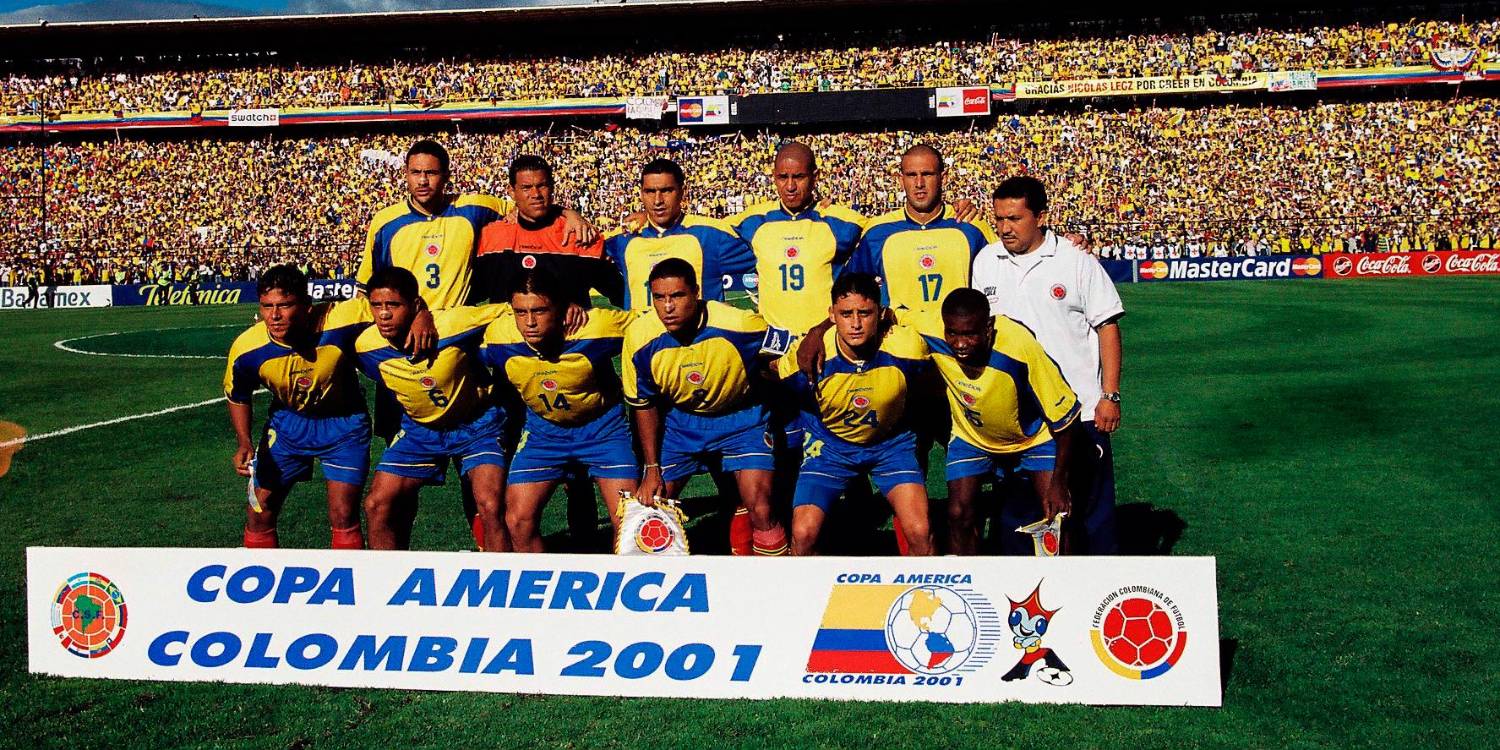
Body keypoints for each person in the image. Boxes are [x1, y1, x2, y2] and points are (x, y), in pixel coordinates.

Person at [971, 176, 1124, 554]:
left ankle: (1097, 595)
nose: (1005, 228)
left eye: (1015, 218)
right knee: (1021, 516)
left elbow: (1107, 326)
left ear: (1041, 217)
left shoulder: (1075, 261)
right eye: (999, 219)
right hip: (1017, 415)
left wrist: (1110, 395)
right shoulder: (987, 262)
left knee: (1090, 513)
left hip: (1079, 410)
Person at [622, 258, 788, 556]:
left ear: (696, 293)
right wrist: (651, 467)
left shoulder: (739, 324)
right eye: (659, 297)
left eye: (677, 296)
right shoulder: (639, 336)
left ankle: (774, 587)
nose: (667, 306)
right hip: (682, 425)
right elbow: (643, 403)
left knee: (760, 507)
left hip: (742, 420)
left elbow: (788, 351)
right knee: (651, 510)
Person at [223, 264, 385, 550]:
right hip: (288, 425)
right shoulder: (247, 348)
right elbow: (238, 395)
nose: (274, 316)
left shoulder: (340, 319)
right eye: (267, 306)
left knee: (343, 514)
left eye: (285, 305)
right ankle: (260, 587)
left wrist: (420, 312)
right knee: (260, 509)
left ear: (307, 305)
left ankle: (345, 591)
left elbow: (391, 306)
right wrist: (244, 441)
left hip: (344, 425)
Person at [775, 272, 935, 556]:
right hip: (831, 448)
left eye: (865, 313)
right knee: (803, 533)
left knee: (920, 532)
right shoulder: (809, 358)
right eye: (846, 314)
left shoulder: (907, 348)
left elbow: (925, 387)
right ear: (832, 315)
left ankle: (923, 596)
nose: (856, 323)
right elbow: (777, 381)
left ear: (882, 314)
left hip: (891, 445)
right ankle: (806, 598)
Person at [354, 267, 512, 552]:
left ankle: (502, 585)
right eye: (377, 306)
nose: (384, 314)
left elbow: (509, 311)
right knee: (377, 504)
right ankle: (386, 584)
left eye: (393, 305)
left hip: (477, 426)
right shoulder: (366, 347)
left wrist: (426, 316)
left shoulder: (452, 325)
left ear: (414, 305)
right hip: (420, 431)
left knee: (490, 503)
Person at [481, 269, 639, 552]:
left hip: (603, 429)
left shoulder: (596, 328)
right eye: (520, 312)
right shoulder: (498, 337)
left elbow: (649, 323)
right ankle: (534, 590)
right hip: (544, 432)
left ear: (562, 308)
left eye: (540, 311)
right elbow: (451, 334)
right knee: (517, 519)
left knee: (630, 521)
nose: (529, 322)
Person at [923, 288, 1081, 555]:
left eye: (970, 334)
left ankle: (1060, 588)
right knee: (958, 513)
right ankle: (971, 587)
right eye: (952, 333)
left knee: (1055, 516)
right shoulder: (929, 329)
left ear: (988, 327)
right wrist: (824, 331)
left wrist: (1060, 482)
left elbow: (1066, 421)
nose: (960, 344)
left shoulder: (1019, 347)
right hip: (972, 437)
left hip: (1032, 439)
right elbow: (889, 317)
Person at [846, 144, 995, 335]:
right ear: (901, 180)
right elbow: (850, 290)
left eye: (927, 174)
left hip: (958, 344)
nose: (919, 183)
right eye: (911, 175)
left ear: (944, 177)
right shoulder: (878, 231)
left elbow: (1001, 280)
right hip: (904, 346)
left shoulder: (970, 225)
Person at [469, 154, 625, 309]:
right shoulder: (490, 238)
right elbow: (466, 296)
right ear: (511, 191)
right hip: (507, 333)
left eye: (542, 185)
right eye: (526, 188)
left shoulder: (579, 235)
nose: (535, 194)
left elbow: (624, 294)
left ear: (552, 187)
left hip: (568, 333)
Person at [604, 158, 756, 313]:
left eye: (666, 191)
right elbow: (582, 247)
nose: (657, 201)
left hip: (698, 337)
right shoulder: (624, 238)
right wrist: (576, 216)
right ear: (641, 194)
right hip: (643, 336)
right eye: (650, 192)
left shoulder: (710, 235)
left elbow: (767, 250)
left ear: (683, 192)